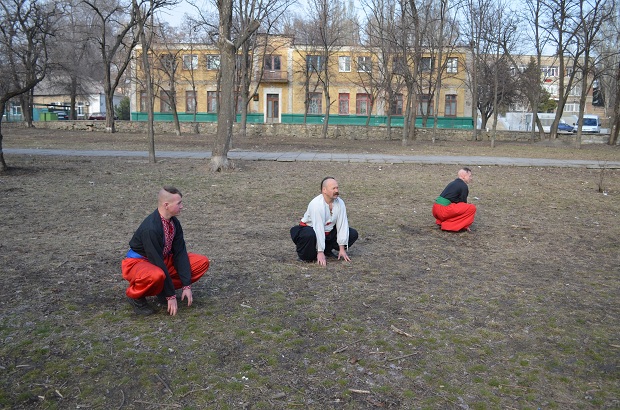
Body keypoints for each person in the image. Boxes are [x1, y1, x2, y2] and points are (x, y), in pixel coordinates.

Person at [121, 186, 210, 316]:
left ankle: (161, 289)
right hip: (139, 263)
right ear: (166, 205)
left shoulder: (174, 223)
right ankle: (136, 297)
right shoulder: (151, 228)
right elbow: (156, 260)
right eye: (179, 203)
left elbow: (180, 252)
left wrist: (187, 285)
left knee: (201, 262)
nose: (182, 206)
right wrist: (171, 295)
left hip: (161, 260)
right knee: (156, 275)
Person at [290, 177, 359, 266]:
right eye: (333, 188)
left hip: (327, 232)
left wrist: (342, 248)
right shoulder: (316, 204)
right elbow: (318, 227)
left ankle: (327, 249)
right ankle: (308, 253)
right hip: (310, 231)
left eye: (337, 188)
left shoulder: (340, 202)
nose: (336, 190)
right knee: (309, 242)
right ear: (324, 190)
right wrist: (320, 252)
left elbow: (342, 224)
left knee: (352, 233)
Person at [432, 168, 477, 232]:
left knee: (456, 206)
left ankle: (442, 221)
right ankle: (449, 225)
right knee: (471, 208)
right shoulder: (463, 186)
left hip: (435, 210)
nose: (471, 178)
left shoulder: (453, 183)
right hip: (443, 211)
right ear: (464, 176)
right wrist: (465, 224)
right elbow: (462, 204)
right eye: (469, 176)